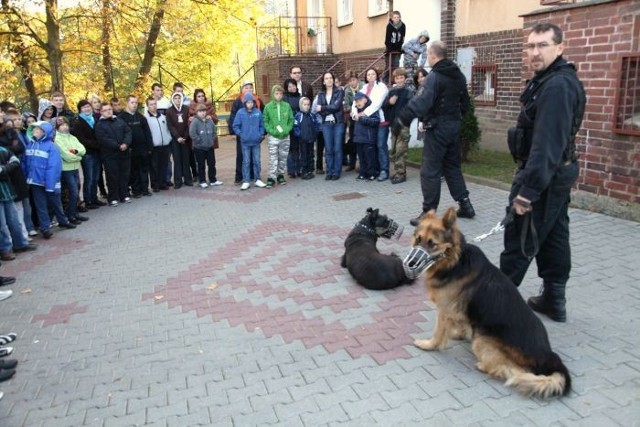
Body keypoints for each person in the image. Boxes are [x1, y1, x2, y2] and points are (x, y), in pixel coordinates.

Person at [499, 23, 586, 323]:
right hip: (557, 174)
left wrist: (527, 193)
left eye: (543, 46)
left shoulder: (557, 86)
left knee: (519, 239)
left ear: (560, 48)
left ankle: (496, 311)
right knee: (554, 236)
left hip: (543, 176)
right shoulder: (548, 79)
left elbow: (546, 146)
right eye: (531, 46)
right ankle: (554, 299)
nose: (535, 52)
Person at [393, 41, 476, 226]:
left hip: (438, 129)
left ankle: (428, 213)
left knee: (429, 171)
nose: (427, 57)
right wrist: (456, 119)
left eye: (428, 54)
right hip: (453, 128)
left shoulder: (435, 77)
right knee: (452, 167)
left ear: (432, 54)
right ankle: (466, 205)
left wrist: (402, 119)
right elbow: (466, 104)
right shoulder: (458, 76)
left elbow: (422, 102)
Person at [23, 121, 76, 238]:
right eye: (34, 129)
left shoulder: (51, 146)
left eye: (37, 129)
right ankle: (45, 228)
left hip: (49, 182)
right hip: (36, 182)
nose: (34, 131)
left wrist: (50, 184)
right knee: (40, 206)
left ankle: (63, 221)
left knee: (56, 203)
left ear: (44, 132)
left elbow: (54, 167)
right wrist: (27, 178)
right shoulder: (29, 145)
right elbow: (26, 164)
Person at [0, 146, 37, 258]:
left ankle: (20, 244)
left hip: (6, 190)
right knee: (1, 225)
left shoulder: (2, 149)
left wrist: (4, 169)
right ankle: (5, 249)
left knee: (14, 219)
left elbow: (15, 161)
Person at [353, 68, 389, 181]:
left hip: (380, 120)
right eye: (368, 74)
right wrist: (354, 114)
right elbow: (356, 102)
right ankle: (373, 169)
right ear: (366, 77)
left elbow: (377, 104)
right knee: (371, 148)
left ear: (377, 75)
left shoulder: (382, 87)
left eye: (373, 74)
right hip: (366, 124)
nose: (371, 76)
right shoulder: (363, 88)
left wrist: (364, 114)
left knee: (380, 145)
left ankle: (384, 170)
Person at [94, 102, 132, 206]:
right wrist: (118, 145)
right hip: (110, 155)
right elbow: (103, 139)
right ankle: (113, 197)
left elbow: (128, 132)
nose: (108, 111)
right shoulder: (99, 125)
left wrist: (126, 143)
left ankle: (124, 194)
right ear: (101, 112)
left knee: (124, 175)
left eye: (110, 109)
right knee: (112, 177)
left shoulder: (119, 120)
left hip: (124, 153)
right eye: (105, 110)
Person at [53, 117, 88, 225]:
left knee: (77, 189)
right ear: (58, 127)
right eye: (62, 125)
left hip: (75, 167)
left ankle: (74, 212)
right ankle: (70, 215)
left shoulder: (72, 137)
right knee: (72, 191)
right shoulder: (57, 139)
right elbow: (65, 155)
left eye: (66, 125)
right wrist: (78, 157)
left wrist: (76, 151)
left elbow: (82, 149)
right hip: (66, 169)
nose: (65, 127)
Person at [71, 100, 104, 209]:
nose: (87, 109)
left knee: (96, 177)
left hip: (97, 152)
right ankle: (88, 200)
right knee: (89, 177)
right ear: (80, 110)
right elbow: (81, 139)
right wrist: (97, 144)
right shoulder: (78, 122)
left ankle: (94, 198)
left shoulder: (95, 118)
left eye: (88, 106)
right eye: (84, 107)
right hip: (87, 153)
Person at [383, 68, 414, 184]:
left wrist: (405, 120)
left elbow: (411, 108)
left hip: (403, 125)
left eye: (401, 78)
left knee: (401, 149)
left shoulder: (408, 92)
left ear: (405, 79)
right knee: (395, 149)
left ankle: (402, 173)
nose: (399, 80)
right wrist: (389, 103)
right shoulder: (392, 92)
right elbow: (384, 107)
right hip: (393, 125)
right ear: (394, 79)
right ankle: (397, 171)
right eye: (397, 78)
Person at [118, 95, 153, 197]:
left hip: (143, 148)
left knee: (144, 169)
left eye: (136, 103)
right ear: (127, 103)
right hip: (131, 149)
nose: (134, 105)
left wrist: (149, 147)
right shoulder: (121, 118)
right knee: (134, 171)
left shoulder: (141, 117)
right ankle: (136, 190)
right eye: (132, 102)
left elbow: (147, 133)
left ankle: (145, 189)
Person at [229, 81, 262, 184]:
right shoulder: (237, 101)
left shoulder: (258, 100)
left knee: (255, 157)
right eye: (246, 88)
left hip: (255, 135)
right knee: (242, 156)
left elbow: (263, 117)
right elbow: (233, 118)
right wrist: (236, 132)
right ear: (242, 89)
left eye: (250, 88)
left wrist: (262, 133)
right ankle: (240, 177)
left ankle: (253, 176)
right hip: (243, 135)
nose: (248, 90)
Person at [231, 93, 267, 190]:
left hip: (256, 141)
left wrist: (260, 134)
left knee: (257, 161)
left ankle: (257, 179)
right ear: (245, 103)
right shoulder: (240, 112)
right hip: (245, 142)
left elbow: (262, 125)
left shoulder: (258, 112)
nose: (250, 104)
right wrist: (241, 134)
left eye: (251, 102)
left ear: (254, 103)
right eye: (248, 102)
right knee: (246, 162)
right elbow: (235, 126)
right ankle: (246, 181)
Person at [314, 72, 345, 181]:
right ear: (323, 81)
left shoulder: (340, 91)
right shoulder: (321, 94)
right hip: (326, 124)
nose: (329, 80)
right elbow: (317, 110)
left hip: (338, 123)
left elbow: (336, 107)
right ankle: (329, 171)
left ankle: (336, 172)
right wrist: (326, 109)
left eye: (330, 78)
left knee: (337, 148)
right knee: (328, 149)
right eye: (326, 78)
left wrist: (323, 108)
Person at [263, 84, 294, 188]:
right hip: (273, 137)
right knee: (273, 158)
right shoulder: (268, 107)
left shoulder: (287, 106)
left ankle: (280, 175)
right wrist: (271, 131)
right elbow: (265, 121)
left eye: (280, 93)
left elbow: (291, 120)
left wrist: (287, 129)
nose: (279, 96)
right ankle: (271, 177)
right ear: (273, 94)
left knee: (283, 157)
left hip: (285, 136)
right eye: (276, 93)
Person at [189, 103, 222, 188]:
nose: (203, 113)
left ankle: (213, 180)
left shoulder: (209, 121)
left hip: (210, 147)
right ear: (197, 112)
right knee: (201, 165)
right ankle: (202, 180)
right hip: (199, 148)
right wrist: (199, 141)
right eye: (200, 111)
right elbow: (192, 133)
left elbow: (214, 131)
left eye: (204, 111)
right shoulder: (195, 121)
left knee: (211, 163)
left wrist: (212, 139)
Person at [144, 97, 172, 192]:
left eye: (155, 104)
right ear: (147, 106)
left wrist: (168, 139)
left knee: (164, 165)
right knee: (154, 167)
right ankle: (155, 185)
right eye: (151, 104)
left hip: (165, 145)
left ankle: (162, 183)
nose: (153, 106)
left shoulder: (163, 117)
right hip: (154, 147)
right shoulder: (146, 119)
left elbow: (167, 130)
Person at [165, 92, 193, 189]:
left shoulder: (186, 109)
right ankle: (178, 182)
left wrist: (185, 136)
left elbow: (188, 124)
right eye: (175, 98)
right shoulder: (169, 111)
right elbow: (170, 126)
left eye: (179, 98)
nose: (177, 100)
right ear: (172, 99)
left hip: (185, 139)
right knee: (177, 160)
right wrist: (177, 137)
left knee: (186, 159)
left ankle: (188, 180)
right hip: (175, 140)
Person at [352, 93, 380, 181]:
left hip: (368, 138)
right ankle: (362, 173)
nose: (358, 103)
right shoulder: (356, 111)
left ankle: (372, 173)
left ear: (365, 100)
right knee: (361, 157)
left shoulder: (371, 109)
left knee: (370, 157)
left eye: (360, 100)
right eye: (356, 101)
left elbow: (375, 121)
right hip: (359, 138)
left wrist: (361, 119)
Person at [293, 97, 322, 180]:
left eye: (308, 105)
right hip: (303, 140)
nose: (306, 106)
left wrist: (315, 133)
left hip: (311, 139)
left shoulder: (312, 115)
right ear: (301, 105)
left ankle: (310, 170)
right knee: (304, 155)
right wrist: (300, 134)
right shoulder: (299, 116)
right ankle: (304, 171)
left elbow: (316, 125)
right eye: (304, 104)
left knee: (311, 155)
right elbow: (296, 127)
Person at [342, 72, 362, 172]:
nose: (352, 82)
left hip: (363, 117)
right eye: (350, 81)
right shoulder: (347, 91)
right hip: (353, 119)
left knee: (362, 141)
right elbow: (346, 106)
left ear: (357, 80)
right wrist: (354, 109)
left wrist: (359, 109)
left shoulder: (363, 87)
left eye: (353, 80)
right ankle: (352, 163)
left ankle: (362, 164)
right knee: (352, 141)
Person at [283, 79, 301, 178]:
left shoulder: (300, 97)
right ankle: (291, 170)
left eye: (293, 85)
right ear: (287, 88)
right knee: (290, 149)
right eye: (289, 86)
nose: (292, 88)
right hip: (288, 126)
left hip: (298, 125)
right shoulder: (285, 98)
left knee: (297, 149)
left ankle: (298, 169)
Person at [383, 11, 406, 81]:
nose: (396, 19)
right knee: (388, 65)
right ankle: (385, 80)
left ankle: (395, 80)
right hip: (390, 48)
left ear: (400, 18)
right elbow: (387, 38)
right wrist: (389, 49)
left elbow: (402, 37)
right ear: (392, 18)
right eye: (394, 17)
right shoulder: (389, 26)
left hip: (397, 49)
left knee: (396, 65)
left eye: (397, 17)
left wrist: (399, 48)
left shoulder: (403, 26)